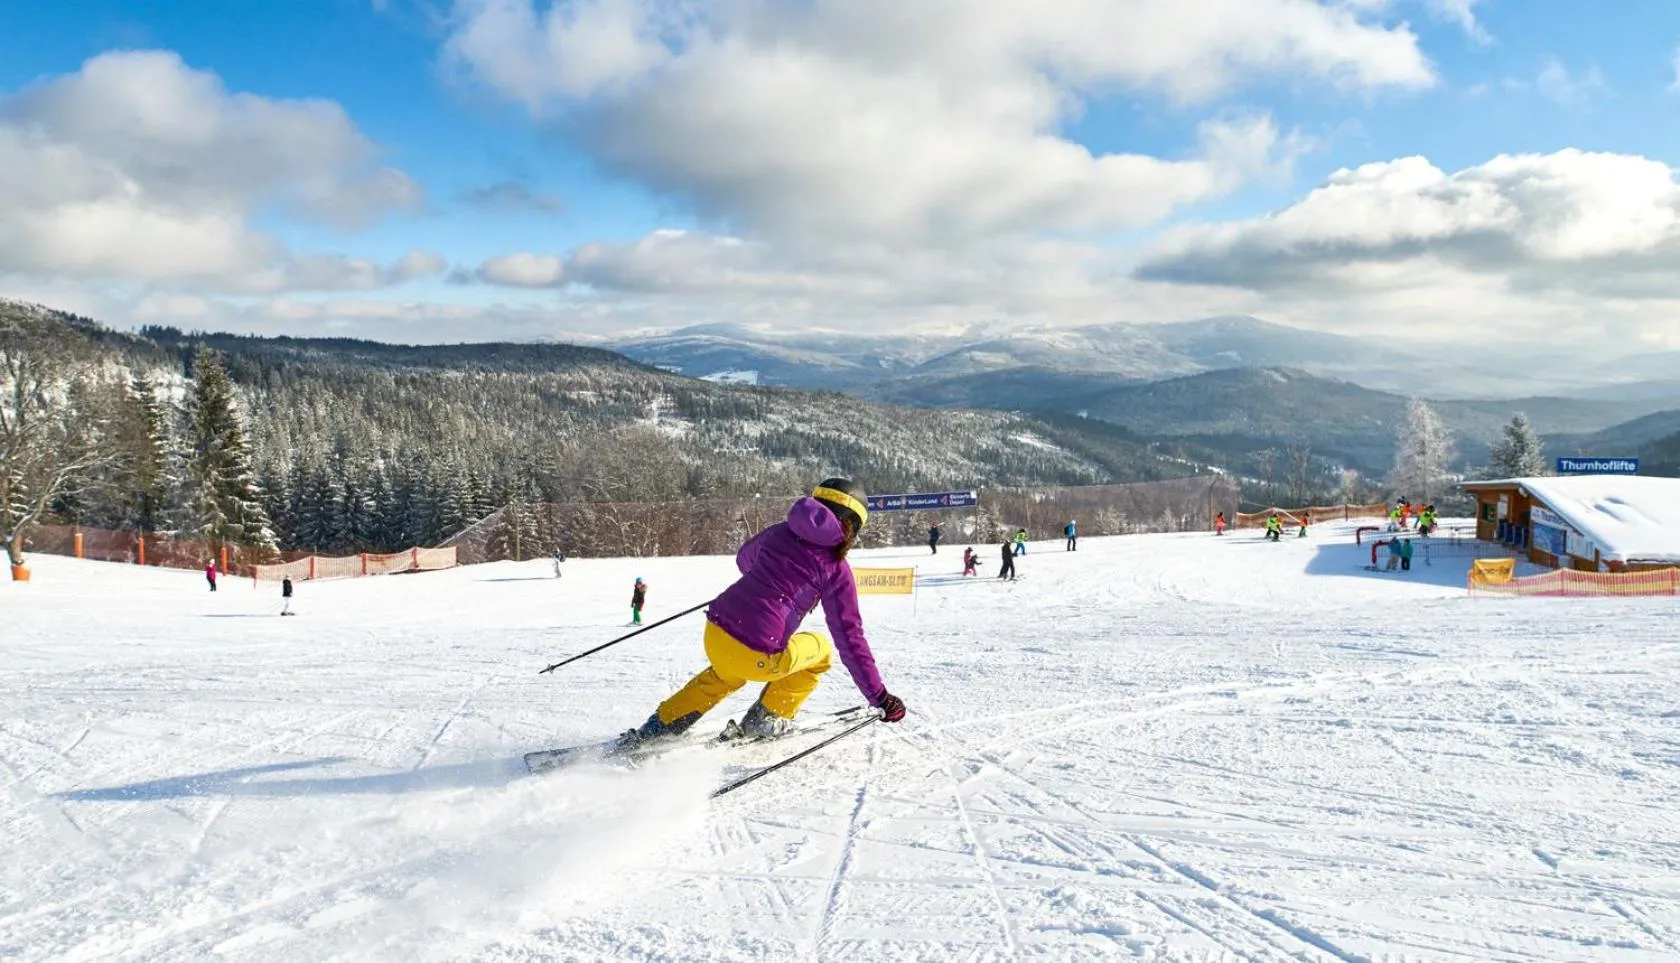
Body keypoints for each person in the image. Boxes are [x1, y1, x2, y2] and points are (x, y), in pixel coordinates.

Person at [620, 478, 906, 746]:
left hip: (716, 632)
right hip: (757, 653)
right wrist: (879, 697)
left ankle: (658, 728)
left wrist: (768, 580)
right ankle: (767, 718)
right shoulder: (835, 568)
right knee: (821, 652)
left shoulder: (780, 531)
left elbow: (744, 559)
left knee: (724, 674)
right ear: (850, 526)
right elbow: (849, 637)